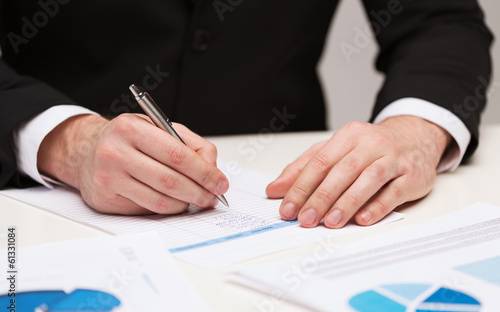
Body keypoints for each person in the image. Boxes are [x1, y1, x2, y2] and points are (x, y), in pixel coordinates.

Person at [0, 0, 493, 229]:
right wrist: (66, 141)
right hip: (36, 214)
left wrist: (416, 131)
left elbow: (442, 22)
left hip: (284, 205)